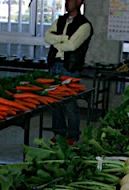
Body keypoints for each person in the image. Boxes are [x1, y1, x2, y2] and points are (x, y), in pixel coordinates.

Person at [44, 0, 91, 143]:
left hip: (70, 68)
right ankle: (58, 134)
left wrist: (56, 43)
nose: (67, 2)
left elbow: (72, 46)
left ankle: (72, 136)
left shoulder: (85, 25)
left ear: (79, 2)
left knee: (70, 104)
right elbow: (47, 37)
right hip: (55, 65)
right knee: (55, 103)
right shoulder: (59, 21)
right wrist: (63, 38)